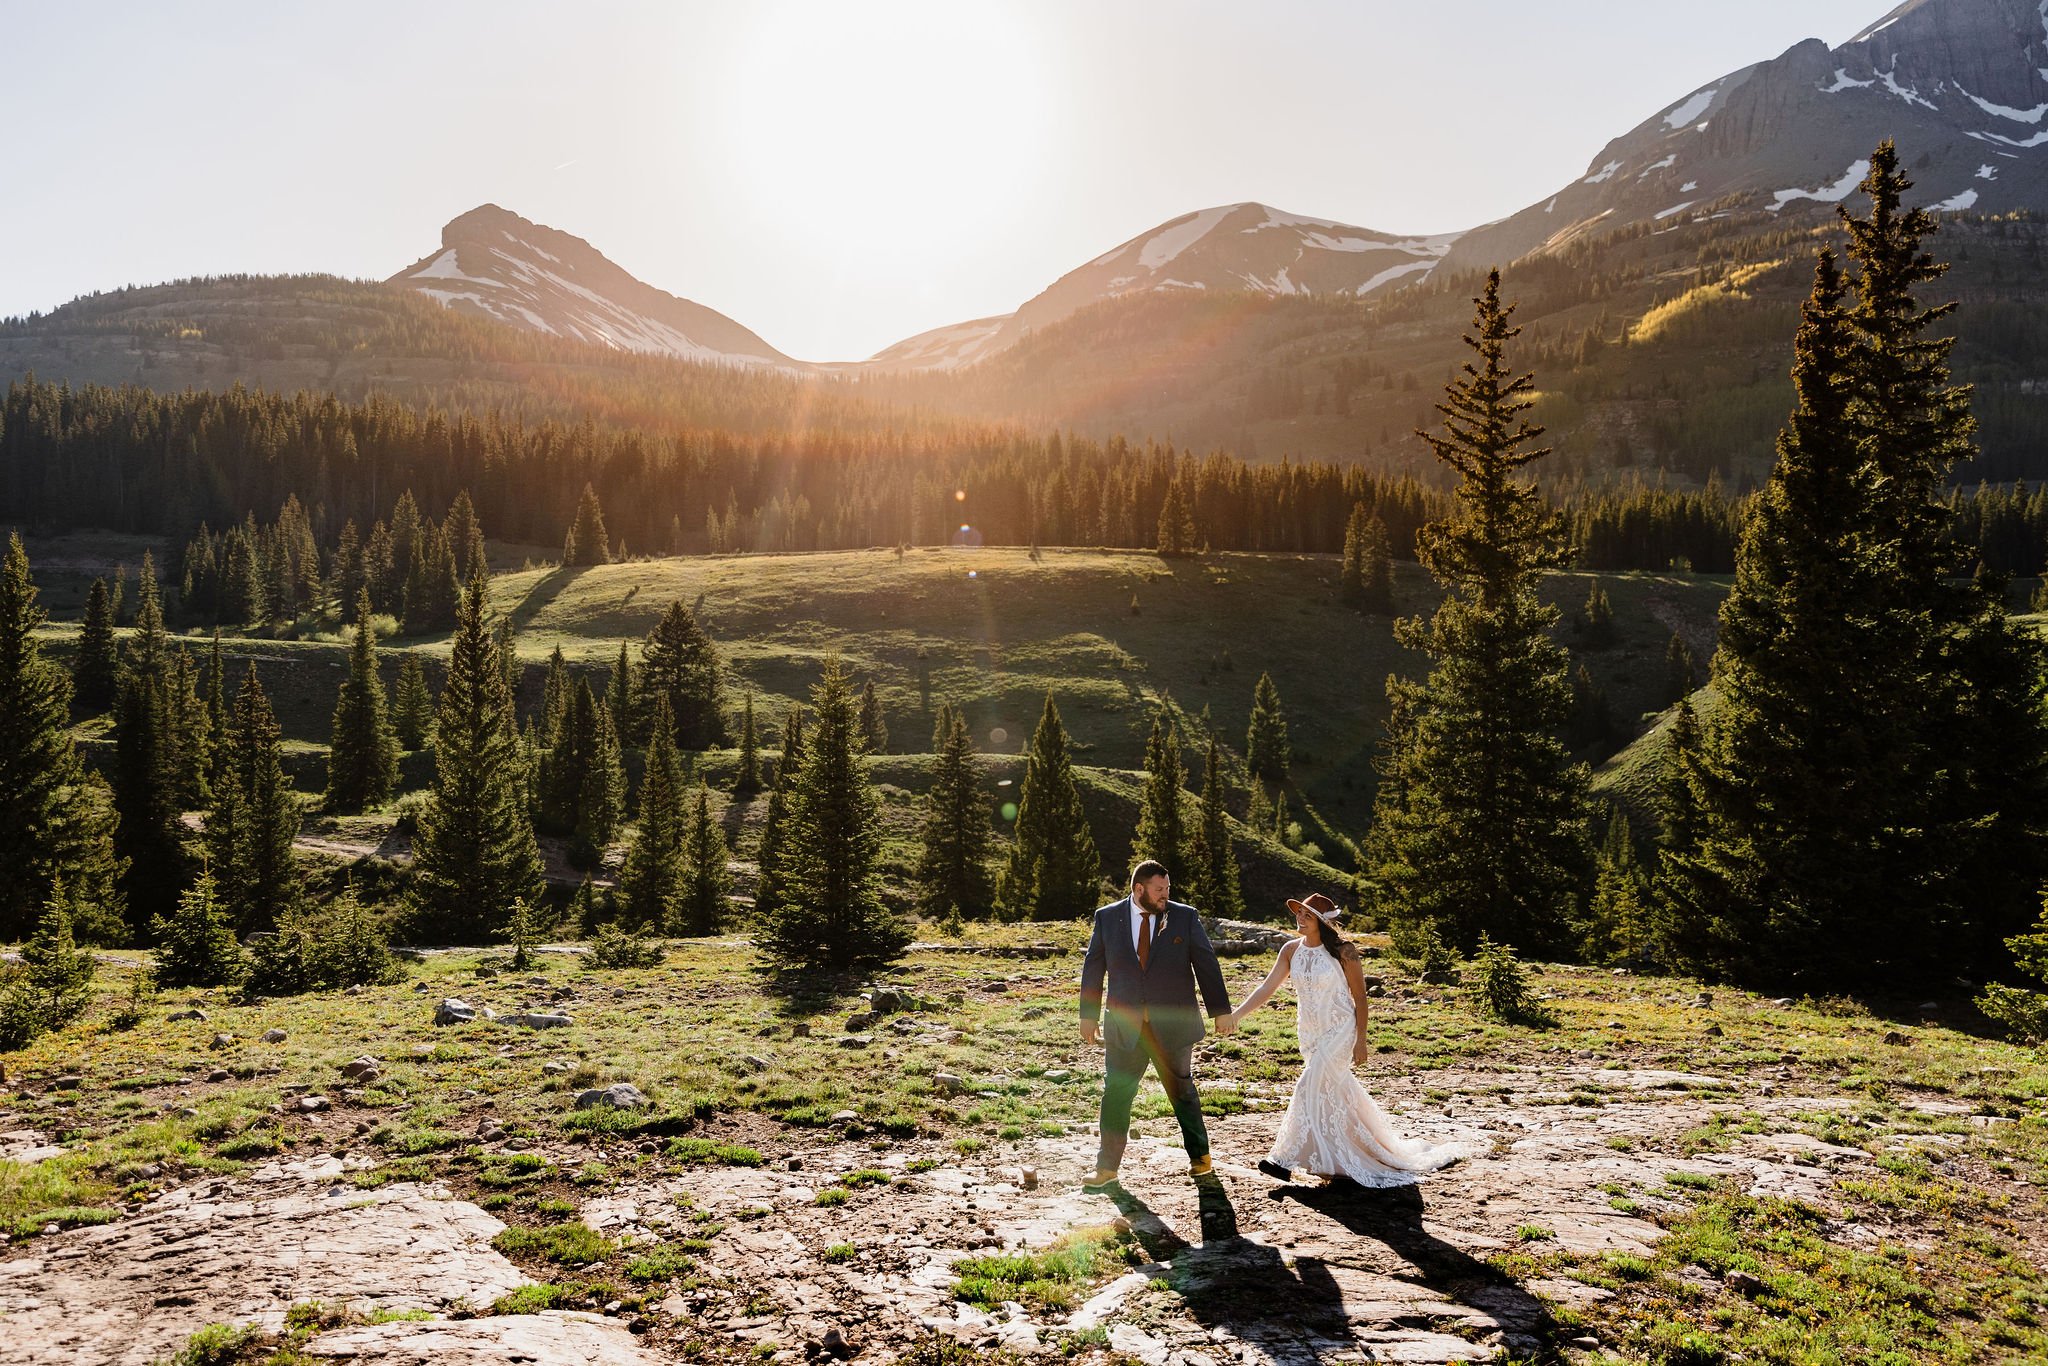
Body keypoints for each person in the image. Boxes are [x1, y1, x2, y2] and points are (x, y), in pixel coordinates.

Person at [1224, 892, 1479, 1186]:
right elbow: (1266, 989)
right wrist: (1236, 1014)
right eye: (1299, 913)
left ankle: (1282, 1159)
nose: (1300, 918)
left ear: (1322, 921)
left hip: (1341, 1029)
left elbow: (1359, 997)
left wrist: (1361, 1039)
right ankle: (1342, 1154)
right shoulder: (1290, 951)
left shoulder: (1345, 951)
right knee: (1331, 1090)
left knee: (1310, 1082)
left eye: (1308, 915)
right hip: (1310, 1032)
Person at [1078, 860, 1234, 1193]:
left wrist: (1220, 1010)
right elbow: (1094, 966)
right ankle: (1106, 1168)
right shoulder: (1107, 917)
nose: (1165, 896)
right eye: (1159, 890)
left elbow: (1206, 962)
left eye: (1167, 889)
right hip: (1124, 1025)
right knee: (1116, 1094)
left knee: (1182, 1091)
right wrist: (1087, 1015)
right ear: (1139, 889)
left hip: (1172, 1026)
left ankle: (1200, 1158)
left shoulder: (1184, 916)